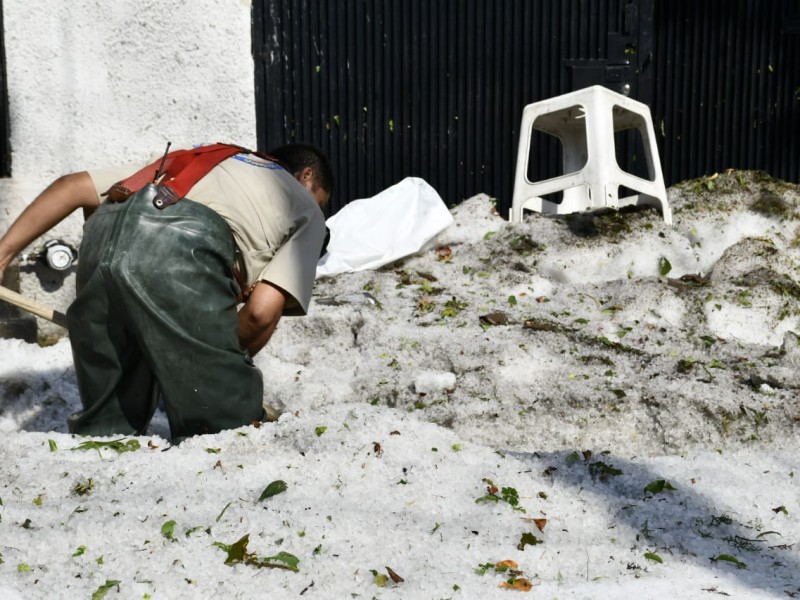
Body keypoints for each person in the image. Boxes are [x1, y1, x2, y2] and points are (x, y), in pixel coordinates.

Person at [0, 142, 334, 442]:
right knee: (228, 443)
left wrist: (3, 255)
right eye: (322, 202)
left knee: (106, 436)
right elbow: (261, 314)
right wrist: (218, 367)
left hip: (102, 243)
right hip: (182, 257)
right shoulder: (304, 208)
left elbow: (72, 187)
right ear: (307, 177)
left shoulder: (203, 158)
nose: (319, 210)